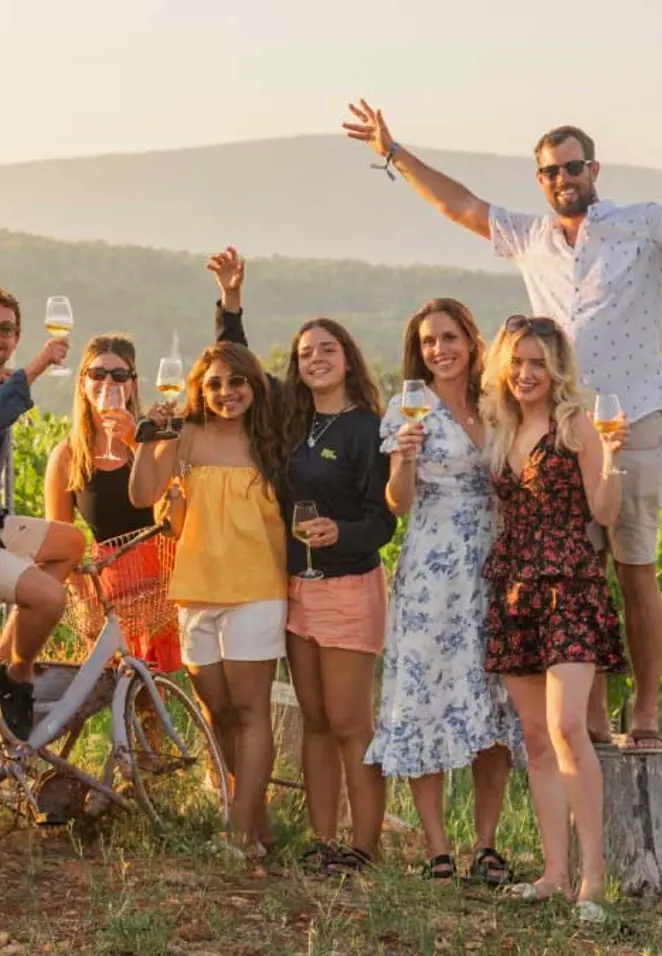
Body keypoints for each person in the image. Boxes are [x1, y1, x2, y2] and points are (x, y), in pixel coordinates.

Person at [343, 102, 662, 752]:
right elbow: (459, 205)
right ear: (540, 179)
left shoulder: (642, 226)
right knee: (579, 571)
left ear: (593, 168)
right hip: (559, 430)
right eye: (550, 171)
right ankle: (594, 719)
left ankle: (648, 714)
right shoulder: (530, 237)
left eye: (572, 166)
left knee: (635, 566)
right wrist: (392, 150)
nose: (563, 177)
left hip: (631, 423)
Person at [207, 248, 395, 876]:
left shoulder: (367, 428)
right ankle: (322, 840)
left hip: (348, 584)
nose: (315, 358)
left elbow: (383, 519)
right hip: (296, 586)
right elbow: (233, 367)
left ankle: (363, 846)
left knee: (348, 721)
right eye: (306, 352)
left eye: (327, 350)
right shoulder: (289, 418)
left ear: (348, 360)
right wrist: (231, 301)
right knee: (313, 720)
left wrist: (337, 531)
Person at [367, 298, 523, 886]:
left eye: (450, 337)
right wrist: (402, 460)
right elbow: (398, 504)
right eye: (430, 341)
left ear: (470, 341)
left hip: (496, 564)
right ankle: (437, 847)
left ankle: (486, 846)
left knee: (491, 700)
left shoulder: (497, 404)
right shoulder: (409, 410)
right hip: (434, 571)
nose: (440, 349)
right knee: (425, 695)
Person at [478, 316, 626, 924]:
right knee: (535, 739)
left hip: (569, 582)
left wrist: (612, 457)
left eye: (538, 363)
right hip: (515, 589)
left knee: (567, 727)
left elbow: (605, 513)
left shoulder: (577, 427)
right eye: (517, 362)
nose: (526, 373)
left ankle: (593, 877)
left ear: (557, 368)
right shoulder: (501, 428)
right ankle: (553, 872)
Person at [129, 341, 287, 858]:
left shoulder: (270, 440)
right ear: (199, 388)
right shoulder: (188, 436)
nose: (226, 392)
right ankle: (256, 820)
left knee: (249, 707)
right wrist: (151, 436)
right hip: (196, 591)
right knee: (216, 710)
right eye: (214, 383)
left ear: (254, 385)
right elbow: (141, 495)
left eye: (236, 381)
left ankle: (239, 834)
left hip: (256, 589)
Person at [0, 286, 84, 741]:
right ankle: (19, 674)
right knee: (49, 598)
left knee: (71, 542)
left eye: (6, 329)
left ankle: (6, 661)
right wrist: (39, 366)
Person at [42, 334, 181, 673]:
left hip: (164, 588)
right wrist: (84, 602)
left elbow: (173, 514)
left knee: (155, 701)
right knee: (114, 692)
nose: (109, 383)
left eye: (120, 376)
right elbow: (59, 543)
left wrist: (138, 441)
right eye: (98, 374)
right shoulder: (68, 457)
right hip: (110, 593)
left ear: (133, 385)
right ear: (83, 383)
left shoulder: (154, 445)